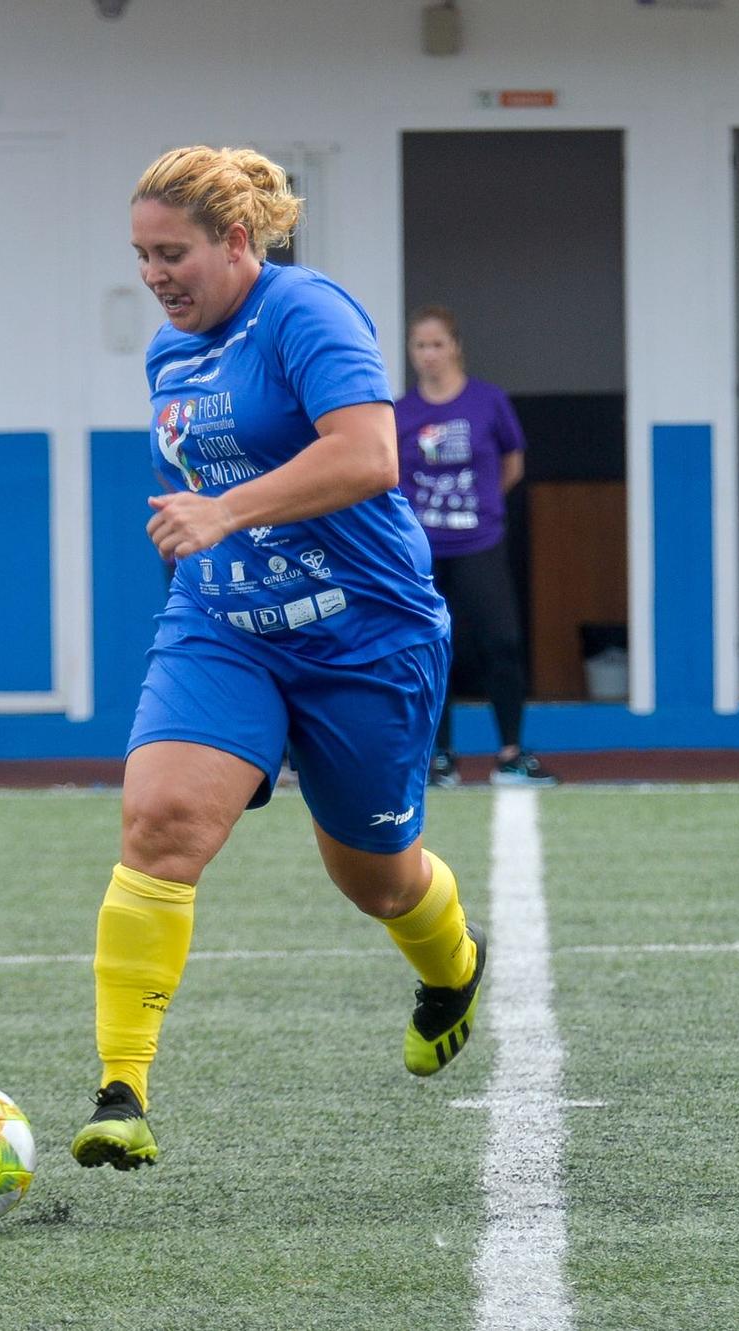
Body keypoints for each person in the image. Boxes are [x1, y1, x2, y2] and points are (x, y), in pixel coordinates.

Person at [72, 148, 485, 1172]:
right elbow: (199, 493)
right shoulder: (168, 355)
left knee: (377, 882)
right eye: (140, 255)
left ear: (237, 243)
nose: (154, 274)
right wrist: (202, 532)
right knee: (159, 818)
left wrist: (224, 507)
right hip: (222, 626)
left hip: (362, 632)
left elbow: (367, 454)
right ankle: (120, 1088)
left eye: (172, 253)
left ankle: (451, 967)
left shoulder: (307, 314)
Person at [396, 306, 558, 788]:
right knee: (430, 647)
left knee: (501, 643)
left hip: (480, 542)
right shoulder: (401, 413)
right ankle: (439, 757)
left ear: (456, 346)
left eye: (437, 344)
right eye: (420, 346)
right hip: (422, 551)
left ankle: (510, 753)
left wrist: (482, 508)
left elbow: (513, 462)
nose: (429, 355)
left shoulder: (488, 402)